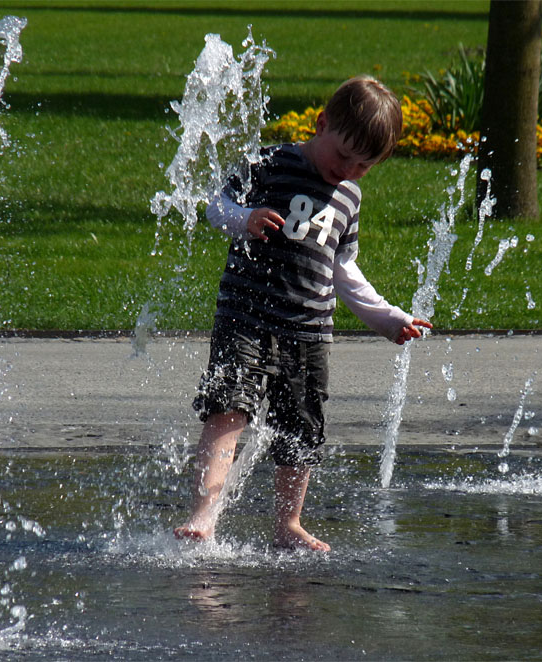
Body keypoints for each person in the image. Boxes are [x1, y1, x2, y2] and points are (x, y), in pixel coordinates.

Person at [173, 75, 432, 552]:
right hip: (246, 317)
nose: (349, 170)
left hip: (310, 331)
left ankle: (287, 522)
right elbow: (215, 206)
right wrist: (243, 219)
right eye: (343, 156)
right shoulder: (270, 163)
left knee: (301, 427)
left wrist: (388, 318)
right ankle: (205, 513)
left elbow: (344, 270)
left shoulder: (350, 197)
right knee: (228, 409)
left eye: (364, 165)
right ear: (322, 123)